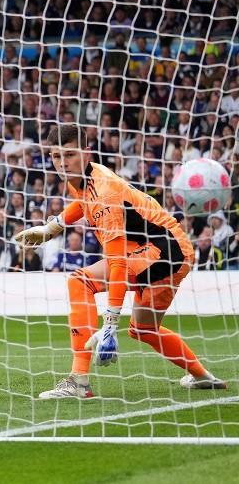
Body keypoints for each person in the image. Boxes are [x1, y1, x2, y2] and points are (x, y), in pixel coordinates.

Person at [14, 125, 227, 398]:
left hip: (164, 250)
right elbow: (82, 202)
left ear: (86, 152)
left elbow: (117, 263)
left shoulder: (106, 193)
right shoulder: (85, 178)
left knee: (80, 281)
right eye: (56, 156)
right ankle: (202, 377)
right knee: (144, 329)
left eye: (69, 154)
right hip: (170, 250)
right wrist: (52, 227)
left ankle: (79, 380)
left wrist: (111, 323)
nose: (62, 162)